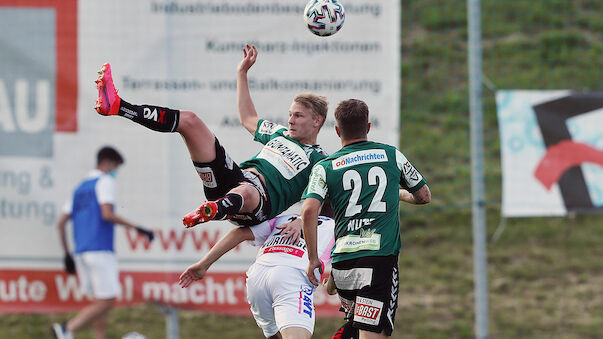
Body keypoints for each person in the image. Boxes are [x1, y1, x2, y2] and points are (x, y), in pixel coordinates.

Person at [94, 44, 328, 228]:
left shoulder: (321, 160)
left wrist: (299, 222)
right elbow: (248, 118)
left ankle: (212, 210)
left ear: (317, 121)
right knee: (190, 121)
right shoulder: (280, 134)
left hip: (256, 206)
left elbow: (322, 201)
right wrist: (241, 73)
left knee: (246, 191)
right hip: (232, 178)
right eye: (290, 114)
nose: (290, 120)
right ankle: (117, 106)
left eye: (298, 116)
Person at [301, 99, 431, 338]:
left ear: (338, 130)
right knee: (373, 334)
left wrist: (313, 259)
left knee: (356, 327)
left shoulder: (324, 167)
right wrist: (399, 194)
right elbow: (423, 196)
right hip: (378, 263)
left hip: (342, 267)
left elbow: (309, 210)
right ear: (368, 127)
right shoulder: (391, 155)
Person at [52, 146, 154, 339]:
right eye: (115, 167)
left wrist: (67, 254)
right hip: (100, 249)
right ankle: (67, 329)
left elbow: (60, 223)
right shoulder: (104, 181)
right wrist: (137, 228)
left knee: (100, 301)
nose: (115, 172)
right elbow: (107, 214)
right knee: (107, 301)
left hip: (81, 251)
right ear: (107, 163)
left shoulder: (80, 188)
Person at [179, 214, 336, 339]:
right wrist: (331, 287)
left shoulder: (285, 218)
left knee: (275, 334)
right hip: (291, 276)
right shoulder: (339, 228)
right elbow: (344, 262)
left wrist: (203, 265)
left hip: (258, 275)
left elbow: (239, 233)